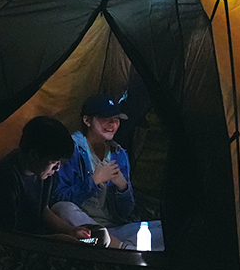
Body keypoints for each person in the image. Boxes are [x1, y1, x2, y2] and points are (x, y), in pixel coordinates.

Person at [0, 116, 105, 246]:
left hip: (27, 239)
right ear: (34, 155)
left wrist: (70, 231)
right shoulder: (3, 179)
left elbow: (42, 211)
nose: (57, 168)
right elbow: (6, 239)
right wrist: (57, 241)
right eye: (54, 162)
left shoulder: (42, 173)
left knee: (101, 238)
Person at [52, 94, 164, 251]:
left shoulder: (119, 154)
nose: (113, 124)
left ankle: (119, 246)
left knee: (162, 228)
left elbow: (125, 213)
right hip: (85, 230)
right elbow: (57, 198)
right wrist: (94, 181)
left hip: (115, 228)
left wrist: (123, 188)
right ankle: (122, 248)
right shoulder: (72, 150)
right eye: (106, 118)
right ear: (87, 120)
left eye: (116, 119)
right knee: (62, 208)